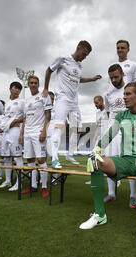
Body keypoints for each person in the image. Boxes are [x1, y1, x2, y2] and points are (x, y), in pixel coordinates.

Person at [79, 82, 136, 245]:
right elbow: (109, 134)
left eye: (128, 94)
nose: (124, 97)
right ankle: (99, 215)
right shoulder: (121, 116)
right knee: (95, 162)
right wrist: (97, 148)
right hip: (125, 160)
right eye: (124, 94)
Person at [43, 40, 102, 168]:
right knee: (59, 126)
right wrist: (46, 88)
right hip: (62, 99)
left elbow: (79, 79)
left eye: (87, 55)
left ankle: (70, 154)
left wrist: (92, 79)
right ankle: (54, 158)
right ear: (78, 48)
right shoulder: (63, 59)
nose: (84, 57)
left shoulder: (80, 65)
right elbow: (49, 70)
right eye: (84, 54)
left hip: (74, 101)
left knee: (77, 127)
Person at [102, 64, 136, 208]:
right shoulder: (108, 94)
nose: (114, 80)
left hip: (130, 130)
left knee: (131, 162)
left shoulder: (130, 90)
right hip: (113, 131)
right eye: (111, 78)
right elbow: (108, 112)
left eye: (116, 76)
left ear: (123, 74)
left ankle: (133, 196)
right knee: (108, 162)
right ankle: (111, 193)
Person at [19, 76, 52, 197]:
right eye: (31, 83)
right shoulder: (26, 101)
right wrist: (21, 134)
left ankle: (44, 187)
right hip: (27, 132)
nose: (33, 85)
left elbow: (48, 116)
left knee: (41, 159)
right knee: (30, 160)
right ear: (28, 85)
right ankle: (33, 186)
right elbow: (25, 118)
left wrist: (44, 131)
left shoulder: (44, 96)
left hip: (38, 132)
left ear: (38, 84)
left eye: (35, 83)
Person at [0, 82, 26, 191]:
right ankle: (8, 181)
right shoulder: (7, 103)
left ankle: (19, 183)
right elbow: (5, 117)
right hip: (5, 132)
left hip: (15, 130)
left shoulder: (22, 102)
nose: (17, 90)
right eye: (15, 88)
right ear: (10, 89)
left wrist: (16, 121)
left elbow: (26, 117)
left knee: (17, 156)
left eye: (19, 89)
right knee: (7, 157)